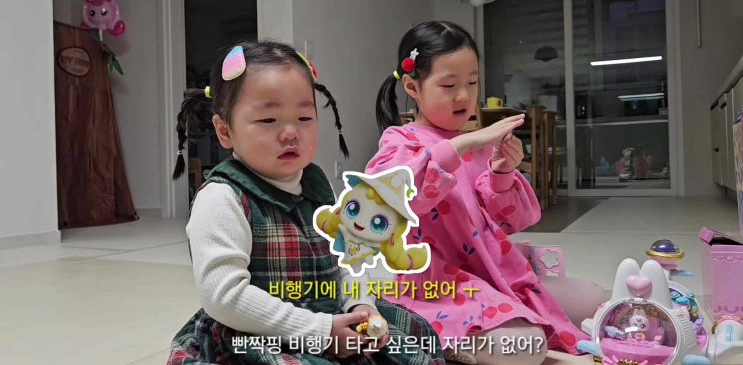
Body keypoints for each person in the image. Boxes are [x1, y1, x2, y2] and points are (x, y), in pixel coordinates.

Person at [167, 41, 445, 364]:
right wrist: (320, 332)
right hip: (258, 334)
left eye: (304, 117)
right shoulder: (221, 198)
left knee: (413, 341)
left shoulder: (316, 185)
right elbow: (225, 297)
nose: (291, 133)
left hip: (330, 317)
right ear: (224, 131)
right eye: (268, 120)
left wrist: (360, 305)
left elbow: (346, 260)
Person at [367, 21, 607, 365]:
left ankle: (504, 326)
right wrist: (463, 144)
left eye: (472, 82)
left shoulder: (478, 145)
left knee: (595, 302)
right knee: (527, 345)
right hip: (437, 284)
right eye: (449, 85)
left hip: (494, 271)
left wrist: (502, 173)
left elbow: (507, 221)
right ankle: (442, 339)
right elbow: (392, 197)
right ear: (412, 87)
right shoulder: (400, 141)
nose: (464, 96)